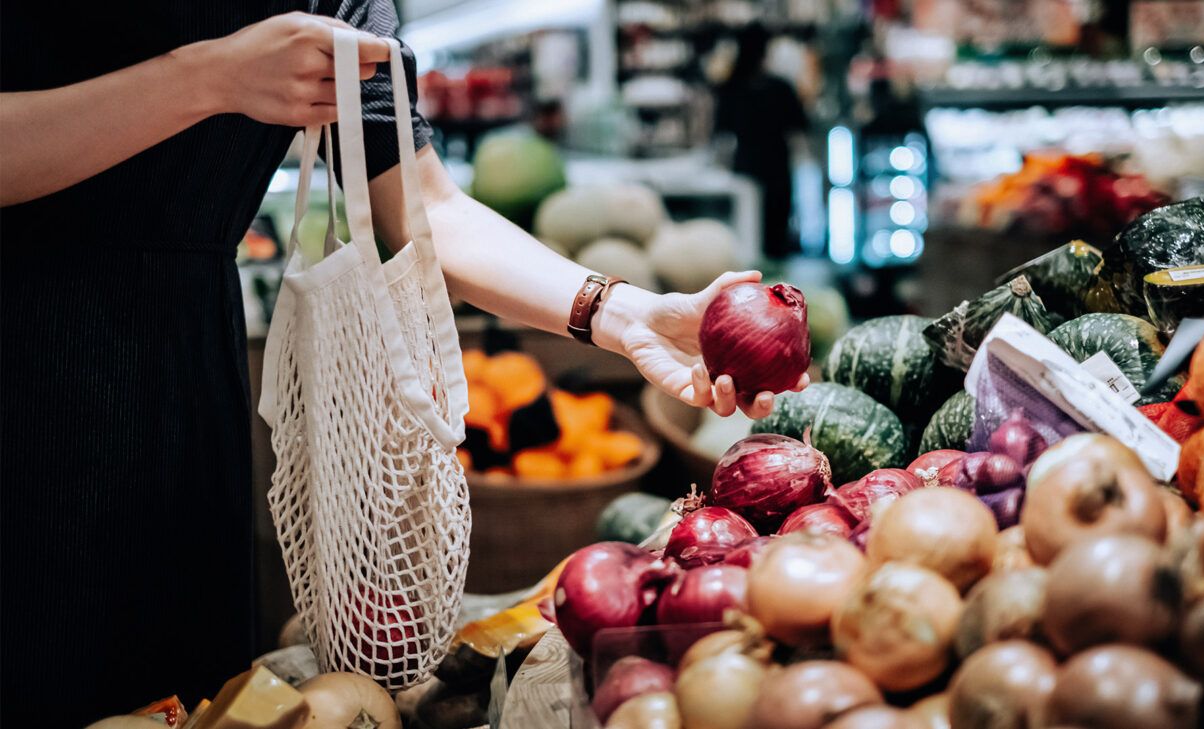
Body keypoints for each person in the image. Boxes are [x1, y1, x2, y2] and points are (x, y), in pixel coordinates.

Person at [0, 4, 806, 725]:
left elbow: (428, 208)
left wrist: (623, 313)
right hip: (26, 341)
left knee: (187, 690)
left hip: (184, 371)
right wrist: (208, 78)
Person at [714, 24, 809, 259]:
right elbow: (800, 126)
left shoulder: (731, 88)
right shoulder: (781, 87)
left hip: (746, 169)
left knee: (747, 240)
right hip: (777, 169)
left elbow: (721, 132)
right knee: (776, 238)